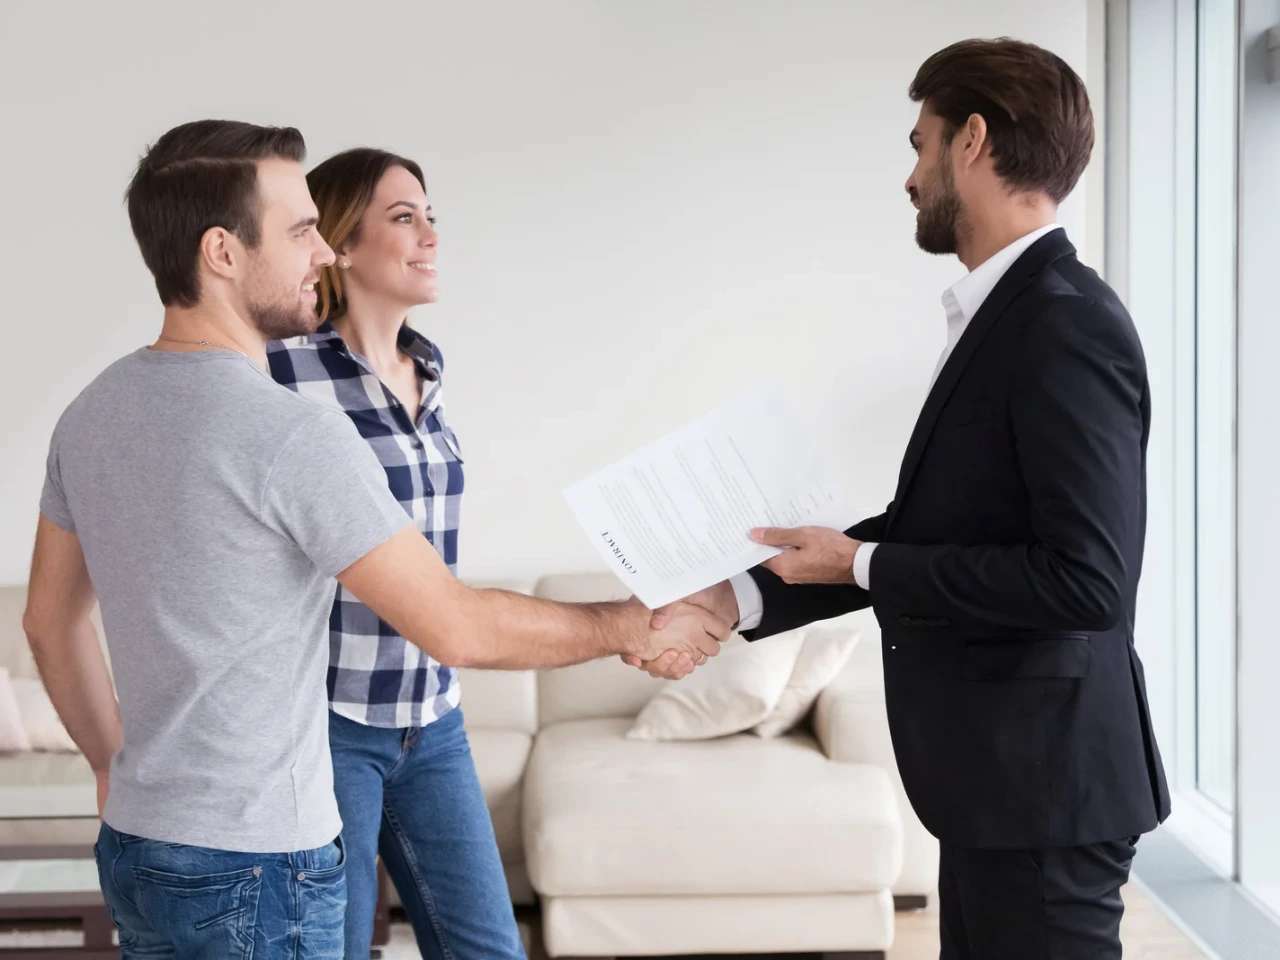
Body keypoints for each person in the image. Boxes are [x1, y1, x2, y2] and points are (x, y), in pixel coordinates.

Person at [22, 119, 727, 960]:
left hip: (141, 842)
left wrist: (110, 764)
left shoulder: (91, 413)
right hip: (260, 860)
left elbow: (48, 623)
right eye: (299, 230)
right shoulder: (291, 433)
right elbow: (455, 625)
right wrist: (628, 624)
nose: (321, 252)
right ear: (222, 252)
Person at [640, 39, 1171, 959]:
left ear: (972, 141)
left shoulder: (1064, 322)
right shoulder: (1011, 314)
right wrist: (739, 596)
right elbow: (946, 534)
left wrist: (864, 561)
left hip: (1044, 792)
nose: (909, 175)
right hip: (1000, 790)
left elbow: (1088, 582)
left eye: (919, 143)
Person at [267, 146, 590, 959]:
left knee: (489, 950)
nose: (430, 236)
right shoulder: (283, 374)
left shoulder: (430, 372)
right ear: (339, 243)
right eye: (403, 218)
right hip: (327, 725)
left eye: (431, 216)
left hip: (431, 722)